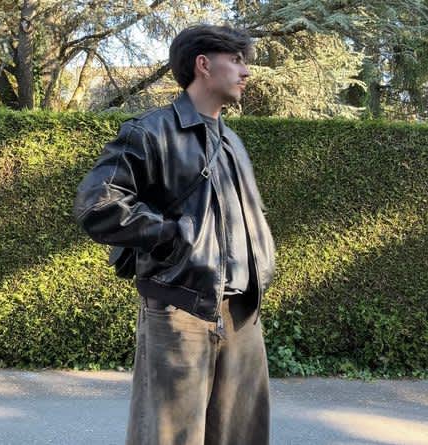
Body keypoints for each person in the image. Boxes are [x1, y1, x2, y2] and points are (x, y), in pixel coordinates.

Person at [74, 24, 276, 445]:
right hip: (179, 310)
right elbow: (97, 204)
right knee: (169, 437)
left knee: (241, 435)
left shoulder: (233, 143)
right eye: (236, 60)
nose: (246, 72)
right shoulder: (151, 132)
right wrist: (172, 234)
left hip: (241, 314)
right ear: (203, 64)